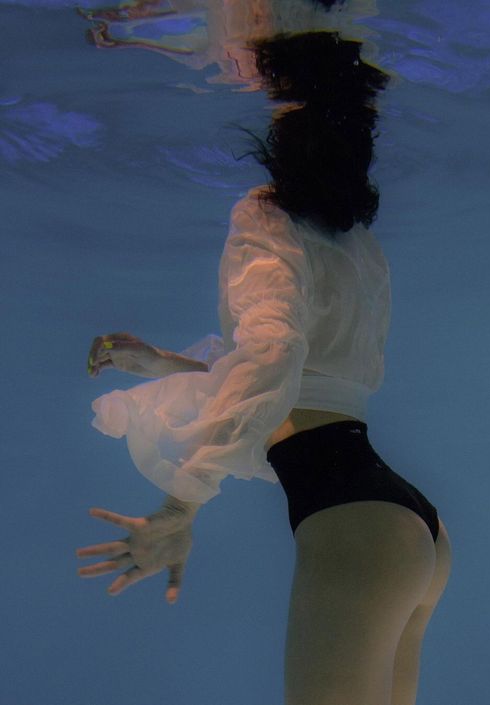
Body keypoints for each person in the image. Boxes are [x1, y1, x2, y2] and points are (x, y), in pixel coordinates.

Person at [77, 26, 452, 705]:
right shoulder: (359, 245)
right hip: (407, 525)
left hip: (357, 529)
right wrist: (166, 363)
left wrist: (180, 503)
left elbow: (276, 358)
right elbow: (301, 379)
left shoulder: (266, 218)